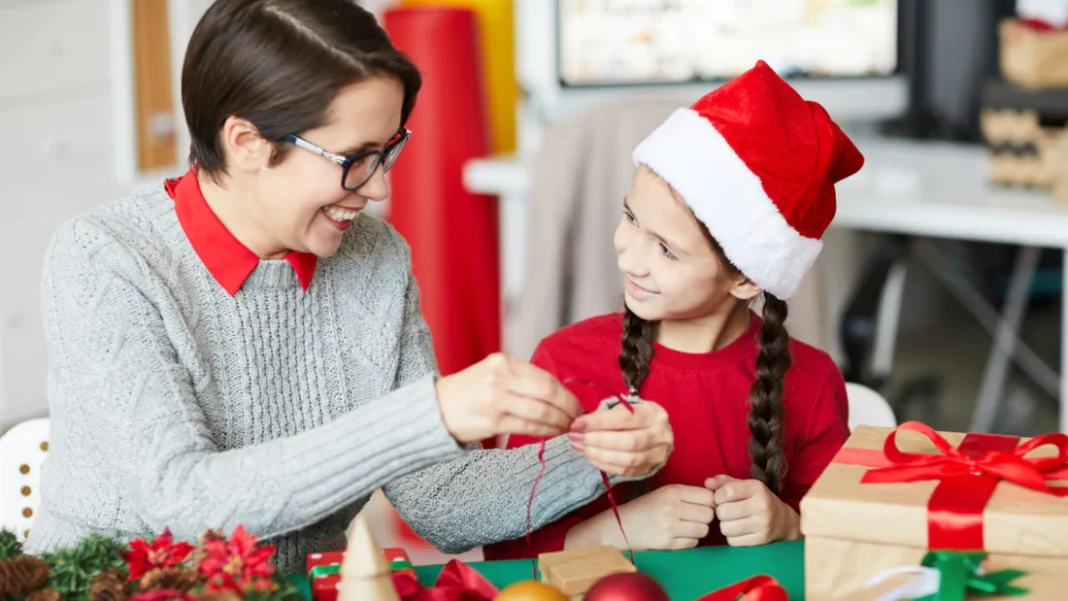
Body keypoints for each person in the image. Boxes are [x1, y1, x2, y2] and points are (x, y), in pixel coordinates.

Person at [26, 0, 673, 573]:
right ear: (247, 142)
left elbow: (439, 503)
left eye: (388, 150)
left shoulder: (374, 260)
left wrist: (597, 453)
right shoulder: (106, 261)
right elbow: (185, 502)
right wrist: (431, 415)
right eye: (354, 159)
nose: (380, 187)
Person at [484, 61, 863, 560]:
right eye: (630, 216)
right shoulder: (563, 364)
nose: (628, 253)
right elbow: (507, 556)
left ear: (746, 278)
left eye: (666, 249)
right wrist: (615, 533)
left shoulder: (812, 382)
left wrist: (789, 524)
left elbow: (851, 551)